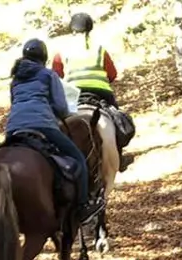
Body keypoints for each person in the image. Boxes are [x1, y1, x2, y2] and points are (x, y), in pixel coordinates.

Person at [6, 38, 88, 221]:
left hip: (14, 128)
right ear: (44, 57)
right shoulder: (48, 75)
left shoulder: (15, 80)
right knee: (78, 158)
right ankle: (83, 206)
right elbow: (61, 107)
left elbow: (14, 103)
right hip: (42, 124)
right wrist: (64, 114)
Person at [51, 12, 135, 168]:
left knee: (56, 123)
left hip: (73, 96)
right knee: (117, 120)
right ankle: (119, 155)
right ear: (90, 28)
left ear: (72, 29)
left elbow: (56, 76)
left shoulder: (61, 51)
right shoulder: (99, 49)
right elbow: (112, 74)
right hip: (100, 92)